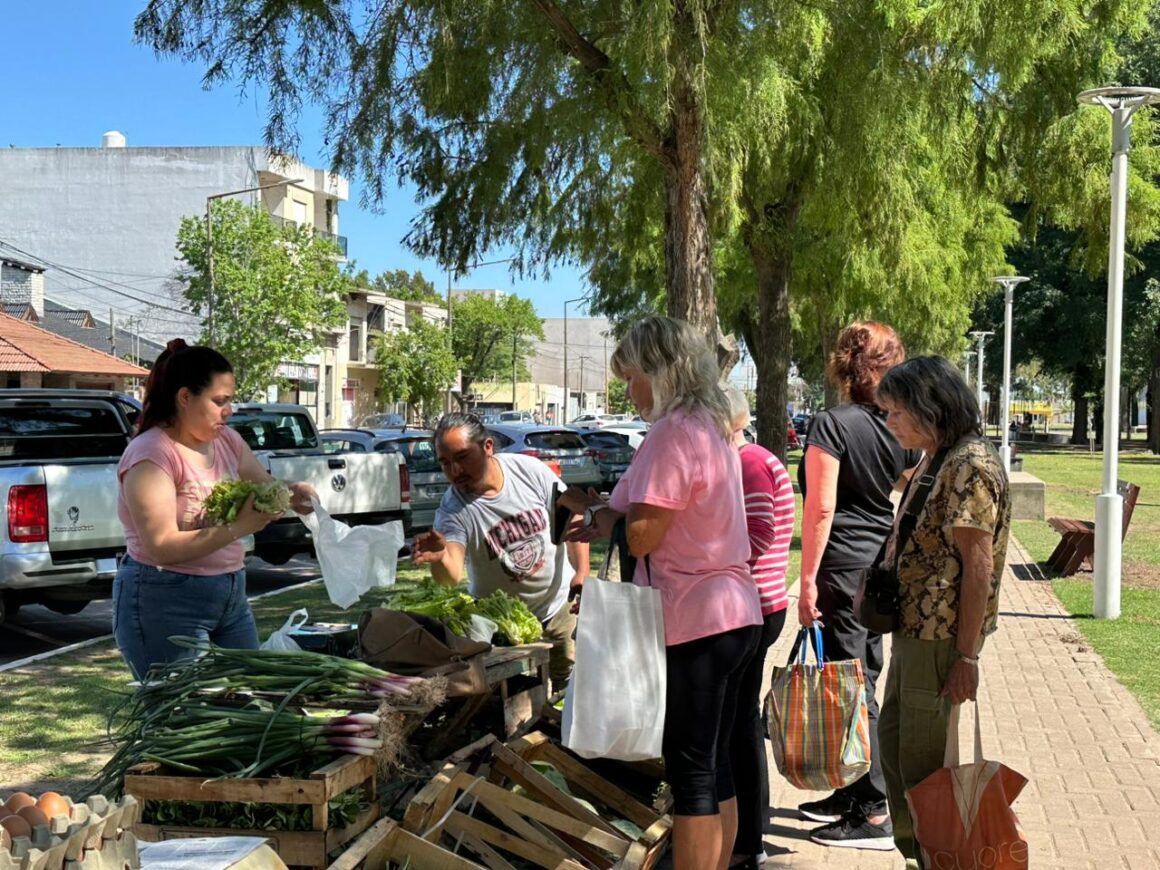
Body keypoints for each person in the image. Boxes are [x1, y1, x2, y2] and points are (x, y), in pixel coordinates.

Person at [560, 316, 762, 870]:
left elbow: (647, 532)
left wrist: (609, 521)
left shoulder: (673, 432)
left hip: (696, 618)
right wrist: (607, 515)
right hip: (734, 612)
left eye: (631, 376)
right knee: (715, 766)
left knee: (692, 774)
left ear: (660, 371)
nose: (628, 389)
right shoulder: (709, 425)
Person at [114, 339, 317, 680]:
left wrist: (291, 492)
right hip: (163, 598)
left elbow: (265, 485)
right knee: (182, 719)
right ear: (184, 397)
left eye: (230, 400)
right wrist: (240, 526)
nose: (230, 410)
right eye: (219, 401)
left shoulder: (227, 441)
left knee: (247, 701)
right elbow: (161, 546)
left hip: (230, 595)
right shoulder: (151, 455)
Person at [875, 356, 1011, 866]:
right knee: (896, 748)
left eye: (895, 412)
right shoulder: (942, 455)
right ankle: (920, 854)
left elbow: (978, 568)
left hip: (937, 638)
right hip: (915, 631)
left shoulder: (967, 465)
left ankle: (936, 856)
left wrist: (966, 657)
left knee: (925, 768)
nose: (889, 423)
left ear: (928, 407)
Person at [795, 321, 919, 850]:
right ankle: (852, 791)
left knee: (850, 681)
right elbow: (907, 486)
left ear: (844, 365)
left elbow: (820, 506)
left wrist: (804, 580)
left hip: (842, 566)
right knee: (860, 674)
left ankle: (873, 810)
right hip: (876, 565)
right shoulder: (894, 426)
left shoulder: (832, 423)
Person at [411, 413, 589, 692]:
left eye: (462, 457)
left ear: (488, 446)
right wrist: (440, 556)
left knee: (571, 692)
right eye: (445, 463)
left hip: (558, 607)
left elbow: (571, 516)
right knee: (517, 702)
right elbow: (451, 575)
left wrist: (582, 571)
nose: (455, 471)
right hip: (505, 629)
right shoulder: (453, 510)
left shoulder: (528, 470)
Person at [722, 386, 794, 869]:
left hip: (756, 602)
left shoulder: (747, 461)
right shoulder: (755, 457)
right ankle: (751, 833)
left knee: (737, 723)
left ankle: (747, 838)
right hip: (760, 601)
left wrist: (707, 558)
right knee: (740, 720)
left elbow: (760, 530)